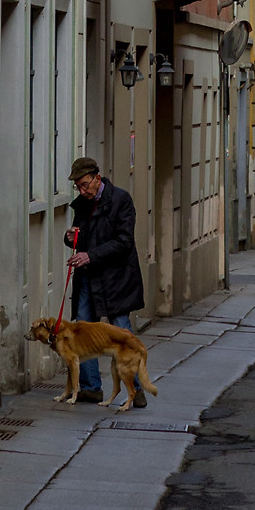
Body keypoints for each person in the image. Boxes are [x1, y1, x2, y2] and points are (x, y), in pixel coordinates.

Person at [63, 157, 146, 405]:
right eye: (78, 186)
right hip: (89, 278)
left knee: (121, 334)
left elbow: (124, 242)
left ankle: (136, 390)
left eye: (85, 184)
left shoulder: (121, 200)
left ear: (97, 178)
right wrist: (71, 239)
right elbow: (81, 238)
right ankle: (90, 387)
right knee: (82, 330)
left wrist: (90, 255)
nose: (82, 190)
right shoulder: (82, 204)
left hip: (116, 279)